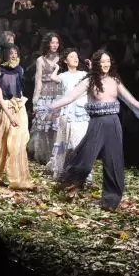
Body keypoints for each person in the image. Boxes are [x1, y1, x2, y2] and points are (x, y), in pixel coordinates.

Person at [43, 50, 139, 210]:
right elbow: (70, 97)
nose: (106, 64)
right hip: (97, 123)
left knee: (113, 162)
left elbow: (132, 101)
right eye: (102, 62)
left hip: (113, 124)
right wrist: (50, 106)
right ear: (97, 64)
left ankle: (110, 201)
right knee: (85, 159)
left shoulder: (115, 80)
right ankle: (69, 181)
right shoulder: (89, 81)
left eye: (108, 61)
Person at [0, 44, 34, 190]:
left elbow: (19, 91)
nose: (14, 55)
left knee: (19, 144)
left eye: (16, 52)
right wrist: (10, 116)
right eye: (11, 53)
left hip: (19, 107)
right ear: (5, 54)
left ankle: (19, 180)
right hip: (6, 109)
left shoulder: (20, 70)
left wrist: (20, 108)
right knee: (2, 143)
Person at [46, 48, 91, 181]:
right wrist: (56, 68)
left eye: (76, 56)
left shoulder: (83, 74)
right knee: (65, 142)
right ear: (66, 61)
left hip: (81, 111)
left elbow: (93, 79)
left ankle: (82, 173)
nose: (75, 58)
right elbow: (53, 78)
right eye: (71, 57)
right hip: (67, 112)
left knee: (80, 140)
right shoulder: (64, 75)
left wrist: (91, 68)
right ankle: (64, 171)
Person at [29, 32, 62, 164]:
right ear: (47, 44)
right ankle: (43, 154)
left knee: (55, 124)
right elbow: (38, 81)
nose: (55, 45)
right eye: (52, 42)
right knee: (43, 124)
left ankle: (55, 155)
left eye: (57, 43)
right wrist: (36, 100)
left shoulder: (61, 59)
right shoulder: (40, 60)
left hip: (58, 94)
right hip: (45, 94)